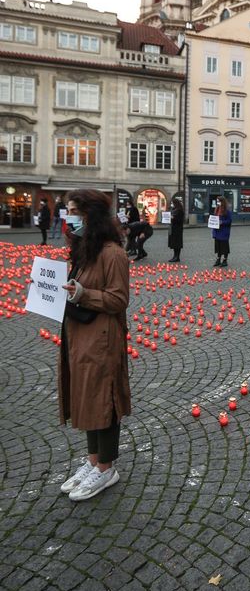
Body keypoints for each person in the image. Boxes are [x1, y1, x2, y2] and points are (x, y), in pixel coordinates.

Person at [58, 189, 131, 502]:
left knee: (104, 400)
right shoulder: (85, 249)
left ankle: (106, 467)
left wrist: (82, 294)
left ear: (91, 215)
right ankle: (91, 461)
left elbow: (118, 299)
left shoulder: (113, 253)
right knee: (86, 396)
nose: (69, 217)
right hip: (80, 336)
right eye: (68, 210)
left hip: (102, 338)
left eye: (74, 211)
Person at [212, 196, 232, 267]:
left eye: (219, 201)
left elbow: (229, 221)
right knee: (218, 246)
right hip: (217, 231)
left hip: (224, 231)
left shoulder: (227, 210)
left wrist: (222, 222)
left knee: (224, 246)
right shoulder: (216, 209)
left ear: (222, 202)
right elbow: (214, 218)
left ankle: (225, 260)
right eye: (217, 201)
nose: (218, 203)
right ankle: (218, 259)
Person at [168, 197, 184, 262]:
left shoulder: (179, 210)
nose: (172, 204)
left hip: (177, 229)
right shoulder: (174, 209)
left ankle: (177, 257)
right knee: (174, 243)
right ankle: (175, 256)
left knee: (177, 243)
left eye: (172, 203)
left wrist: (172, 218)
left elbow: (179, 220)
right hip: (173, 228)